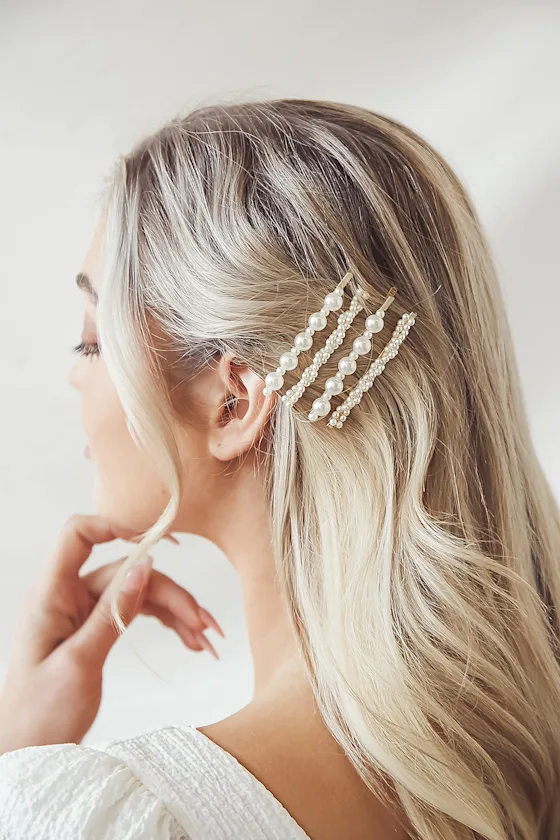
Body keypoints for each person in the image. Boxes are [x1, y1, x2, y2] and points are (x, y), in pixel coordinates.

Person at [0, 98, 558, 840]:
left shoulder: (119, 818)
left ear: (233, 401)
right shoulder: (526, 759)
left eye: (91, 342)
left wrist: (20, 765)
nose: (76, 379)